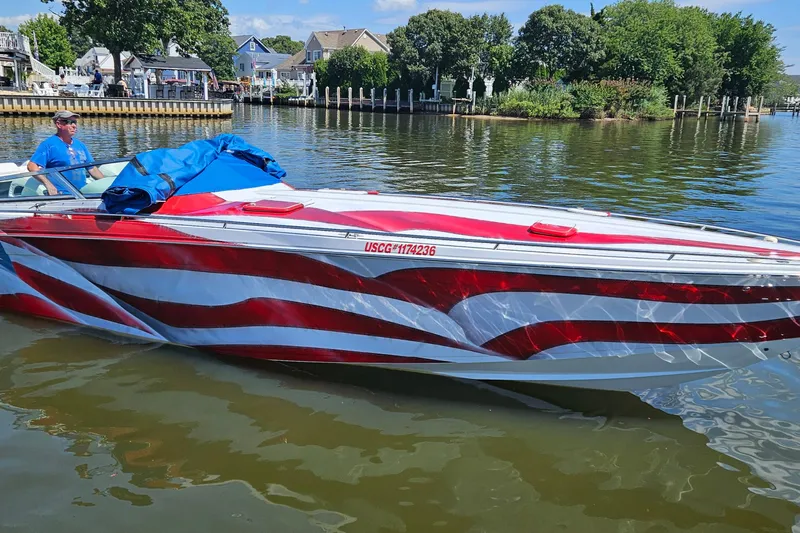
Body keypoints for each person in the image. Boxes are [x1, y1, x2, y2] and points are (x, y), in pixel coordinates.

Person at [27, 110, 104, 195]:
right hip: (62, 195)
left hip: (83, 194)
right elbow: (32, 166)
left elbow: (92, 169)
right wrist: (48, 184)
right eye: (69, 122)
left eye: (75, 122)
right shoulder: (48, 145)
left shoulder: (80, 145)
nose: (74, 126)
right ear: (59, 124)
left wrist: (108, 185)